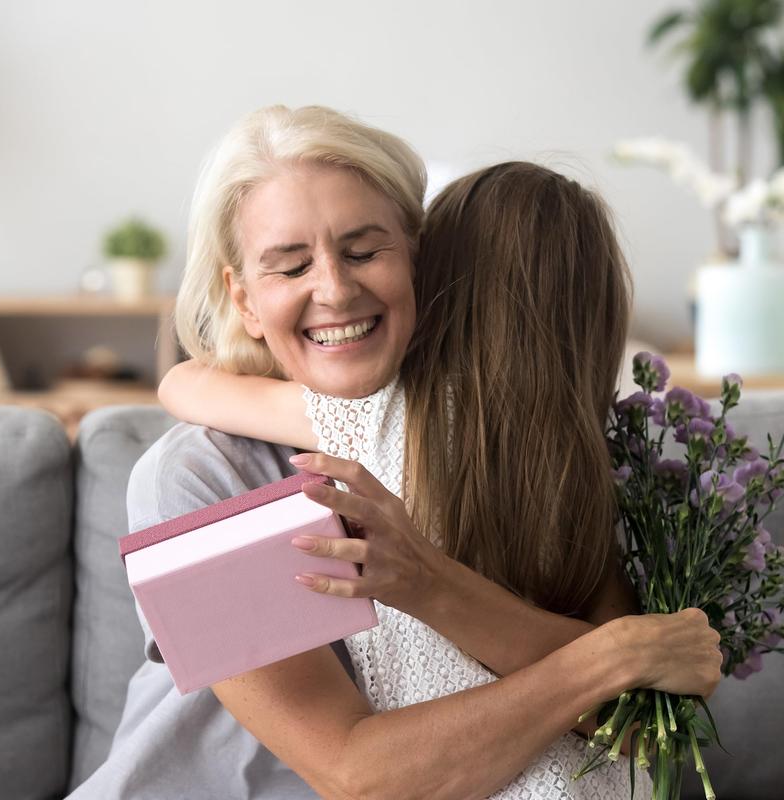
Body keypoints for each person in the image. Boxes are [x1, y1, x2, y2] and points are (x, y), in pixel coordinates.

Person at [69, 106, 721, 800]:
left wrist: (615, 659)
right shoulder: (206, 476)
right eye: (290, 266)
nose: (335, 289)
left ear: (419, 256)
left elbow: (641, 721)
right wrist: (610, 659)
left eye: (363, 250)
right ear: (245, 300)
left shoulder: (520, 450)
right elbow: (356, 774)